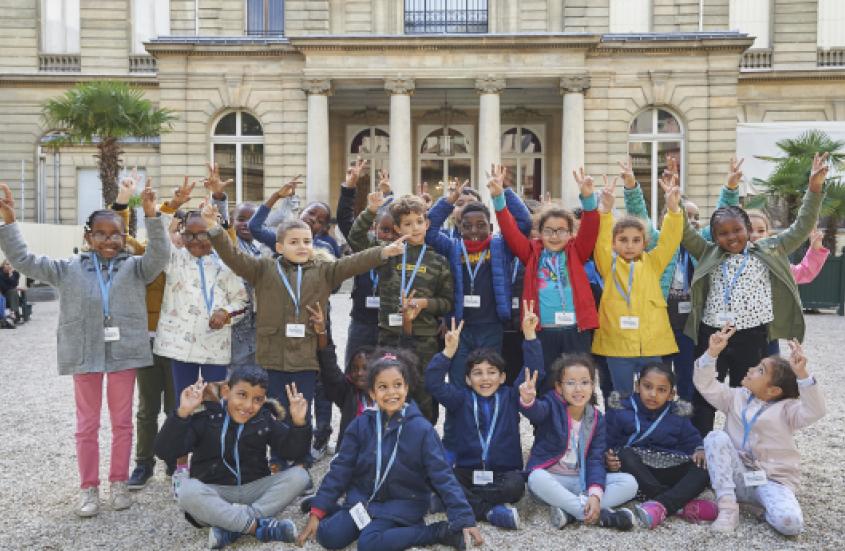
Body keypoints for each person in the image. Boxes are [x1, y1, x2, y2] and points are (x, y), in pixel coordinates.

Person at [0, 181, 168, 517]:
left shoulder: (136, 268)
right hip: (84, 352)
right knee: (86, 424)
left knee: (122, 422)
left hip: (124, 353)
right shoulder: (67, 269)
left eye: (116, 234)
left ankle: (118, 482)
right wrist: (8, 222)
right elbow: (24, 260)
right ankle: (88, 488)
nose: (109, 240)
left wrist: (152, 217)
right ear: (87, 237)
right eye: (101, 234)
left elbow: (160, 255)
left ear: (124, 237)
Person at [203, 202, 408, 455]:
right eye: (294, 242)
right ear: (279, 247)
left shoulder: (324, 270)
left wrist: (383, 252)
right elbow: (232, 256)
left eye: (307, 241)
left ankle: (301, 460)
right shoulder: (263, 268)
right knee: (276, 411)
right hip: (272, 358)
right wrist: (214, 229)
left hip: (305, 359)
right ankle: (277, 458)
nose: (302, 247)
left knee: (302, 411)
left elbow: (354, 262)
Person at [681, 152, 829, 434]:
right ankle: (699, 445)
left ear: (748, 229)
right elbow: (685, 233)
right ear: (714, 237)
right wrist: (674, 203)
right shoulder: (708, 252)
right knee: (703, 391)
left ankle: (741, 442)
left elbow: (800, 227)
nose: (731, 237)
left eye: (737, 230)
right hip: (713, 334)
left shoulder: (770, 249)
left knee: (747, 391)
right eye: (722, 233)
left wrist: (814, 190)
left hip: (751, 334)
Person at [297, 350, 484, 551]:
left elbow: (443, 476)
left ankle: (437, 532)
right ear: (372, 392)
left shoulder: (422, 430)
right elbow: (340, 470)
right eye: (383, 387)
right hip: (365, 501)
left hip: (402, 504)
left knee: (369, 544)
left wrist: (464, 518)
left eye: (397, 385)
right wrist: (318, 511)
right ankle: (334, 508)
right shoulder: (360, 426)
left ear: (407, 388)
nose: (391, 392)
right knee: (328, 536)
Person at [423, 168, 531, 452]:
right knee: (458, 388)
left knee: (490, 385)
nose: (473, 231)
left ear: (491, 228)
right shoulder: (452, 247)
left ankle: (491, 442)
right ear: (458, 228)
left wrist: (503, 193)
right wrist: (447, 202)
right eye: (467, 226)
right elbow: (429, 230)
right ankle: (453, 443)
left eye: (480, 225)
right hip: (460, 332)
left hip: (492, 328)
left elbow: (523, 223)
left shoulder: (500, 247)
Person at [621, 155, 744, 401]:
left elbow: (722, 216)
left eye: (696, 217)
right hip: (660, 323)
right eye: (686, 216)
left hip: (691, 325)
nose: (692, 222)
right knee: (657, 376)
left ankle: (686, 424)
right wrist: (632, 186)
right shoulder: (656, 240)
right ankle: (657, 422)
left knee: (688, 378)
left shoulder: (703, 244)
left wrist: (730, 188)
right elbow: (639, 217)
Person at [154, 367, 312, 549]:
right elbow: (164, 452)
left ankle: (232, 527)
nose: (248, 406)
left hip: (253, 490)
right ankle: (256, 527)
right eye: (242, 395)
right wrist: (182, 413)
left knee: (301, 476)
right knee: (187, 491)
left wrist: (299, 423)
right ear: (227, 392)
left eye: (257, 399)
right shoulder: (206, 417)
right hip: (214, 494)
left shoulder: (264, 418)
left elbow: (292, 453)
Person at [424, 303, 545, 531]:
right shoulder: (460, 398)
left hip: (503, 473)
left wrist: (530, 337)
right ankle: (489, 511)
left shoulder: (510, 396)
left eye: (492, 372)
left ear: (502, 377)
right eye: (477, 373)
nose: (485, 379)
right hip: (468, 471)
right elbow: (433, 382)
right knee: (440, 477)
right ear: (468, 379)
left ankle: (460, 502)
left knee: (516, 487)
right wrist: (448, 353)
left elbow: (533, 371)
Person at [695, 327, 826, 535]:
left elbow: (815, 410)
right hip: (736, 478)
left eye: (760, 370)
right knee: (715, 437)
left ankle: (758, 509)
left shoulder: (788, 410)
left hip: (771, 481)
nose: (751, 369)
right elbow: (705, 384)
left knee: (790, 524)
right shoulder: (735, 397)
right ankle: (728, 508)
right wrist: (712, 353)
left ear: (773, 391)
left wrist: (802, 374)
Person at [492, 166, 602, 373]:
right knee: (544, 381)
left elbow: (591, 228)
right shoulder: (531, 253)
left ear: (571, 233)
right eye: (549, 231)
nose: (554, 236)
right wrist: (499, 198)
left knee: (577, 379)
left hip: (575, 330)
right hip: (542, 331)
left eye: (561, 231)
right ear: (539, 232)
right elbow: (509, 230)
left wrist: (588, 200)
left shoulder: (577, 252)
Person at [521, 353, 638, 530]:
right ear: (559, 387)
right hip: (553, 479)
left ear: (593, 386)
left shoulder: (597, 418)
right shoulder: (551, 405)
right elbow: (537, 412)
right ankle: (596, 515)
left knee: (629, 483)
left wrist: (595, 495)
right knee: (535, 477)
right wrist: (529, 401)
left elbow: (595, 459)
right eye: (570, 383)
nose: (578, 389)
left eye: (584, 382)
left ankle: (571, 511)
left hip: (581, 481)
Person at [591, 171, 683, 394]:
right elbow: (600, 242)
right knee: (621, 396)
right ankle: (620, 428)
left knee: (654, 397)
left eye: (636, 240)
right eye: (623, 240)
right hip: (617, 345)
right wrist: (605, 212)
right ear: (614, 243)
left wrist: (673, 210)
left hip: (652, 344)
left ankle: (651, 429)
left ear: (645, 243)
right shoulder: (608, 265)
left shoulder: (653, 263)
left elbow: (670, 241)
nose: (629, 245)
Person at [372, 194, 454, 423]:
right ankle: (392, 439)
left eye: (419, 221)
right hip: (391, 334)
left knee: (423, 390)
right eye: (407, 224)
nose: (415, 228)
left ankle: (424, 438)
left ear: (427, 224)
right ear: (397, 228)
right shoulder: (388, 254)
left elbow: (447, 302)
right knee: (390, 388)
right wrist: (370, 210)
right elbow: (357, 239)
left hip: (424, 337)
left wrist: (424, 304)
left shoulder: (438, 261)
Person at [604, 363, 716, 529]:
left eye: (661, 390)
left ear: (671, 395)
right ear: (637, 386)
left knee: (705, 466)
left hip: (667, 468)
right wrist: (607, 459)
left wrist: (700, 450)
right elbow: (605, 442)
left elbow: (693, 442)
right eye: (647, 386)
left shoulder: (678, 414)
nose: (653, 394)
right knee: (625, 454)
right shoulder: (621, 409)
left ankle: (660, 503)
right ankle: (677, 505)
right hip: (634, 471)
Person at [339, 162, 397, 364]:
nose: (389, 236)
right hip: (362, 321)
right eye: (384, 230)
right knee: (356, 372)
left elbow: (399, 214)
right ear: (375, 228)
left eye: (393, 231)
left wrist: (390, 193)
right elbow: (346, 222)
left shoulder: (403, 251)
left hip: (391, 324)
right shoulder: (364, 245)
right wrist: (349, 189)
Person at [0, 258, 27, 323]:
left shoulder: (15, 273)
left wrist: (10, 276)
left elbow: (15, 284)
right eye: (7, 264)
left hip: (11, 295)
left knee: (13, 291)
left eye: (11, 264)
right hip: (2, 294)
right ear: (3, 265)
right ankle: (14, 315)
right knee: (13, 290)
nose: (10, 266)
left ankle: (14, 314)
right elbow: (3, 286)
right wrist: (17, 287)